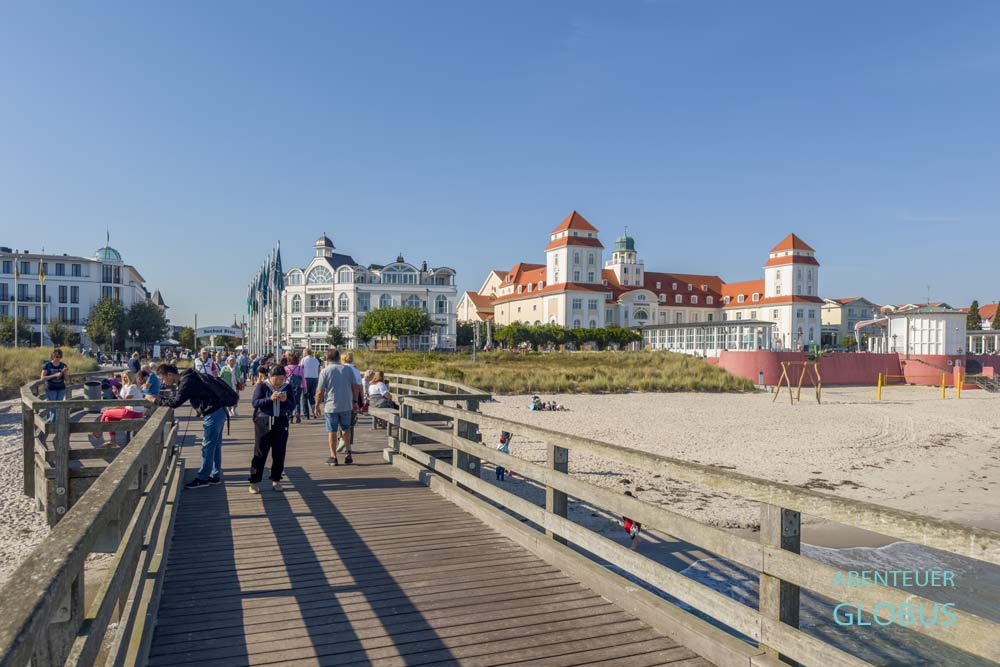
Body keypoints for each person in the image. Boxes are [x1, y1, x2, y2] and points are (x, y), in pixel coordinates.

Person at [148, 364, 228, 489]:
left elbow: (175, 403)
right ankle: (214, 475)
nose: (163, 382)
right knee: (215, 446)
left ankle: (203, 478)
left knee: (207, 447)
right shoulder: (189, 377)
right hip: (219, 411)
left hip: (214, 413)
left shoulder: (186, 382)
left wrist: (154, 400)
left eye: (163, 378)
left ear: (169, 374)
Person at [248, 366, 295, 494]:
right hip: (264, 422)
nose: (279, 382)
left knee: (279, 453)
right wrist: (270, 399)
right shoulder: (262, 386)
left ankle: (276, 479)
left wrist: (285, 401)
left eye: (282, 379)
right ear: (270, 376)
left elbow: (293, 405)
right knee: (260, 452)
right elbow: (255, 403)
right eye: (277, 379)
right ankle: (254, 481)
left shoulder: (287, 387)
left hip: (281, 421)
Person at [315, 348, 360, 466]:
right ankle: (348, 452)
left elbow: (320, 391)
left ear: (327, 359)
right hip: (346, 405)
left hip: (331, 406)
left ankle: (333, 457)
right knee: (346, 429)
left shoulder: (325, 371)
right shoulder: (348, 370)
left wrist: (316, 405)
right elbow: (355, 387)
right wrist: (355, 402)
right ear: (338, 357)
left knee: (332, 431)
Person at [89, 372, 146, 448]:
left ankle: (99, 432)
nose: (125, 379)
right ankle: (113, 441)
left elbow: (126, 401)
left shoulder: (133, 387)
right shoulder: (125, 386)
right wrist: (115, 399)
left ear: (131, 378)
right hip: (128, 410)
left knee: (106, 412)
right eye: (124, 377)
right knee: (108, 418)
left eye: (127, 377)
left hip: (134, 412)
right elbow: (121, 402)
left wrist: (117, 394)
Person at [299, 348, 320, 418]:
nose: (302, 354)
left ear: (306, 353)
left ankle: (306, 415)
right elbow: (318, 370)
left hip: (306, 379)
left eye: (303, 353)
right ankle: (315, 411)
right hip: (314, 379)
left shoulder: (303, 360)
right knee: (311, 396)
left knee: (304, 397)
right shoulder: (316, 360)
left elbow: (300, 369)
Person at [284, 352, 304, 423]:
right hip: (299, 386)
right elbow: (303, 378)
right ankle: (297, 413)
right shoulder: (300, 368)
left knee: (289, 401)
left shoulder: (286, 368)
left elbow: (284, 378)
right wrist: (305, 388)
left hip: (288, 386)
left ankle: (290, 417)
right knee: (297, 401)